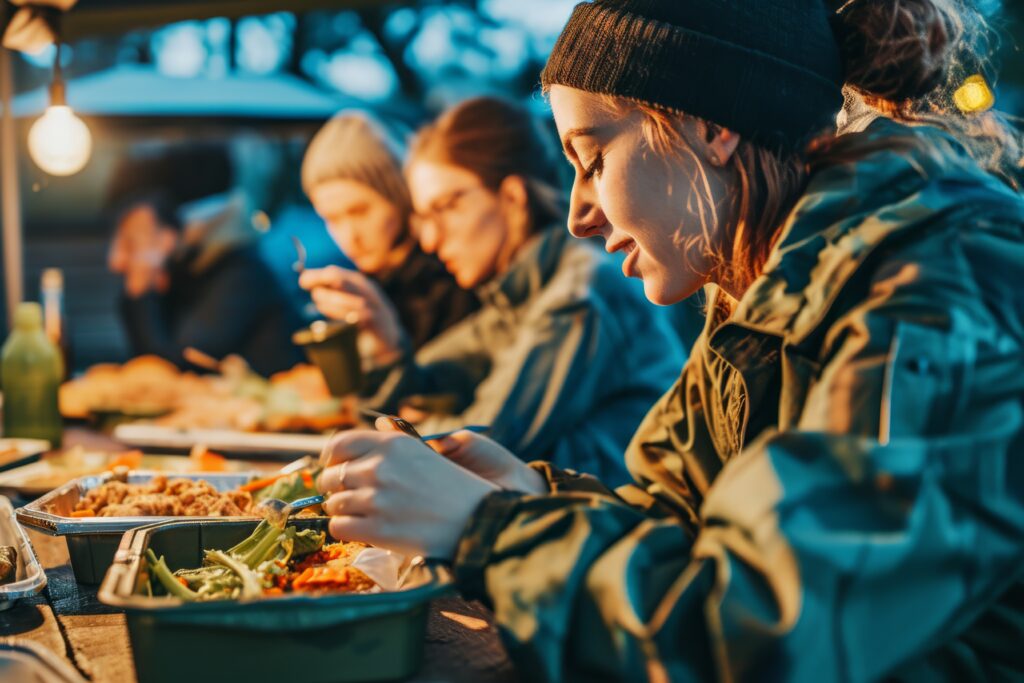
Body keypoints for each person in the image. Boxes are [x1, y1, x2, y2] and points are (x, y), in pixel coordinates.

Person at [316, 0, 1024, 680]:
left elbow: (762, 638)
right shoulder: (759, 290)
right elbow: (683, 522)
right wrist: (529, 494)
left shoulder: (940, 285)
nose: (577, 215)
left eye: (591, 159)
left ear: (711, 124)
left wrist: (487, 529)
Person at [338, 96, 683, 484]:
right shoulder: (514, 298)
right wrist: (386, 349)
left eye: (446, 207)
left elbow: (479, 448)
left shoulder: (580, 294)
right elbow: (421, 387)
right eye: (424, 219)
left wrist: (421, 421)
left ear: (513, 198)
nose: (431, 240)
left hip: (630, 530)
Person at [107, 143, 304, 376]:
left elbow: (175, 371)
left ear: (175, 232)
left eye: (132, 241)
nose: (115, 260)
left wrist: (142, 296)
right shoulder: (185, 273)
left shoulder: (239, 273)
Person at [298, 112, 479, 352]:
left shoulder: (455, 281)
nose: (349, 236)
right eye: (331, 218)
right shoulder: (369, 285)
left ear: (400, 199)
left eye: (359, 212)